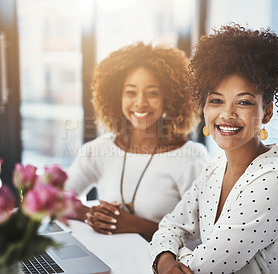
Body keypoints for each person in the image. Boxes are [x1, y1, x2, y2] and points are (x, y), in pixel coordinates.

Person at [150, 24, 278, 273]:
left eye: (243, 102)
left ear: (266, 112)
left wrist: (171, 260)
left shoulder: (276, 179)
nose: (227, 114)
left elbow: (208, 265)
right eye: (216, 100)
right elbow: (170, 226)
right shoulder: (215, 168)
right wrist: (166, 261)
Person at [65, 42, 208, 242]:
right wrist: (91, 215)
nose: (140, 102)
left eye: (152, 93)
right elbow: (57, 198)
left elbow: (200, 237)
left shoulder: (190, 158)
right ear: (117, 97)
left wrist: (134, 225)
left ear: (169, 97)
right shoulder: (100, 150)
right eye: (131, 92)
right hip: (107, 260)